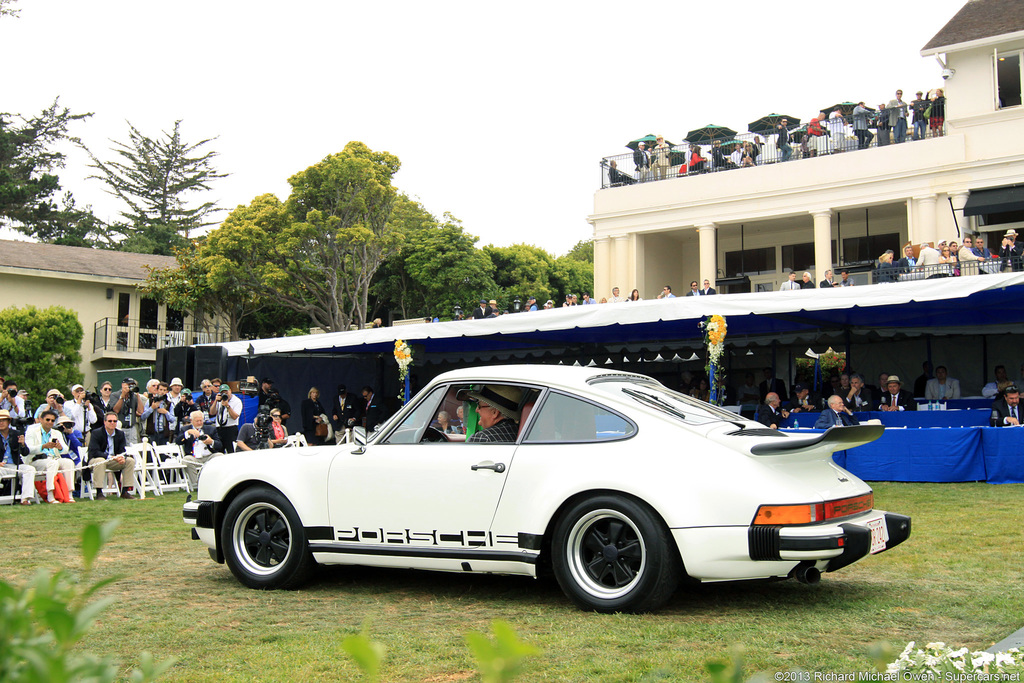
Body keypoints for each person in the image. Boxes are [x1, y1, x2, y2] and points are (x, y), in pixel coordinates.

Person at [25, 409, 75, 503]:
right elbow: (28, 449)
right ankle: (50, 494)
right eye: (47, 420)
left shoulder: (56, 433)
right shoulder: (31, 431)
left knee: (69, 462)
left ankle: (69, 494)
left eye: (52, 420)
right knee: (52, 463)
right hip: (36, 460)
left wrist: (60, 448)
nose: (50, 422)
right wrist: (42, 446)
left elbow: (65, 450)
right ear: (41, 419)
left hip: (53, 458)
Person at [87, 411, 137, 500]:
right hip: (96, 460)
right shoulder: (96, 433)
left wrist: (122, 457)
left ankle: (125, 491)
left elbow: (122, 450)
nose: (112, 423)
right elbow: (94, 451)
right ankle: (99, 493)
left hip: (113, 460)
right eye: (110, 421)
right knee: (100, 461)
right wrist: (111, 457)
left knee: (130, 461)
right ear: (104, 422)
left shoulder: (120, 434)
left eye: (115, 421)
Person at [457, 385, 523, 443]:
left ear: (495, 412)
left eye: (479, 406)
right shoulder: (518, 431)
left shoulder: (483, 438)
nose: (476, 410)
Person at [178, 410, 223, 490]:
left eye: (201, 420)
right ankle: (196, 484)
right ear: (191, 421)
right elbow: (178, 441)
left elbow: (219, 445)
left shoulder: (211, 429)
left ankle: (215, 482)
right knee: (186, 460)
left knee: (220, 456)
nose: (199, 423)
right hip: (194, 457)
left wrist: (211, 442)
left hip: (208, 456)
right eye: (197, 421)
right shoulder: (185, 429)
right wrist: (187, 434)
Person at [0, 409, 34, 505]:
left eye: (3, 420)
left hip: (15, 465)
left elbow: (25, 453)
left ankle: (25, 498)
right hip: (1, 466)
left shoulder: (16, 433)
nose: (1, 423)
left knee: (30, 469)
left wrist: (23, 444)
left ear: (9, 422)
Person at [112, 378, 146, 446]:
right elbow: (116, 410)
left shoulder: (133, 397)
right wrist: (122, 396)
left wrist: (138, 396)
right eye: (129, 385)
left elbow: (141, 411)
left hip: (131, 427)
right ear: (123, 385)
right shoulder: (115, 395)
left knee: (133, 450)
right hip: (120, 427)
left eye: (133, 385)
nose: (131, 387)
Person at [211, 384, 242, 453]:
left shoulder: (236, 401)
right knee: (219, 451)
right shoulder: (220, 400)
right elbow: (212, 412)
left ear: (230, 391)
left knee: (231, 451)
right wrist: (216, 401)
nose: (225, 394)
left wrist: (228, 406)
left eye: (226, 392)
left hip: (230, 429)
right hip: (219, 429)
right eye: (222, 393)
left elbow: (235, 416)